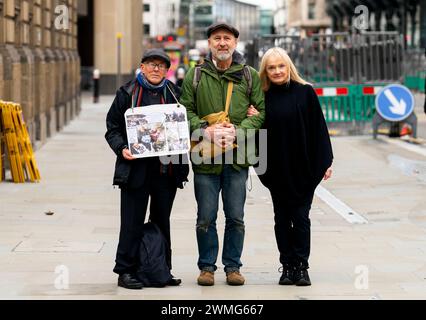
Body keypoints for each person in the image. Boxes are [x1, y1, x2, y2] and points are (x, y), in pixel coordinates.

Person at [179, 22, 265, 286]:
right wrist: (206, 130)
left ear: (235, 43)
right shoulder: (194, 76)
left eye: (227, 38)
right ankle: (206, 267)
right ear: (209, 44)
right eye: (217, 38)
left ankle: (232, 267)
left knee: (235, 217)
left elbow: (261, 112)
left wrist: (238, 131)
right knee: (206, 216)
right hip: (206, 159)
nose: (222, 43)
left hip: (237, 160)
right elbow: (185, 112)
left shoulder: (250, 75)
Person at [248, 47, 333, 286]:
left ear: (289, 67)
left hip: (304, 167)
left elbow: (319, 129)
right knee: (281, 218)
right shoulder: (262, 97)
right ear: (265, 71)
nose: (276, 71)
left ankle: (302, 267)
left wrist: (326, 161)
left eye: (280, 66)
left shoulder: (305, 92)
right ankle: (286, 265)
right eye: (271, 67)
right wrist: (256, 117)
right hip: (276, 168)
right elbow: (257, 134)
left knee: (301, 217)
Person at [105, 49, 189, 290]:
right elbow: (112, 128)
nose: (156, 69)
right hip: (135, 170)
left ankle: (162, 269)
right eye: (151, 64)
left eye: (161, 66)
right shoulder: (126, 93)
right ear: (142, 67)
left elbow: (186, 125)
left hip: (167, 170)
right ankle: (126, 270)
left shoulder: (175, 93)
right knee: (131, 221)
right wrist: (121, 148)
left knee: (162, 220)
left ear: (167, 70)